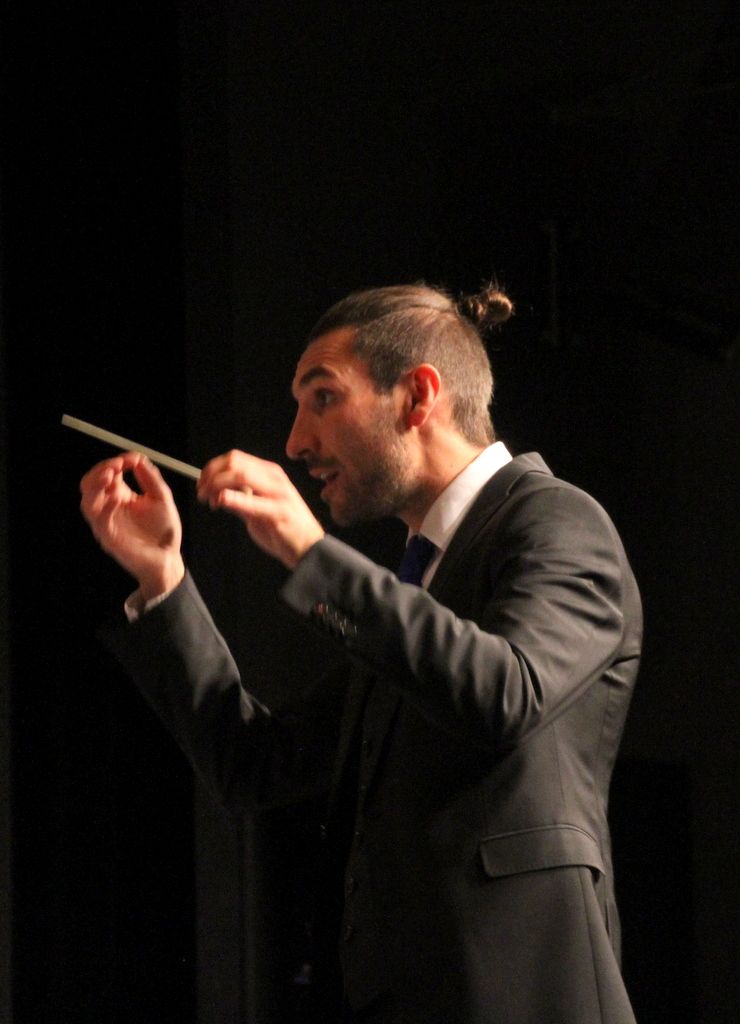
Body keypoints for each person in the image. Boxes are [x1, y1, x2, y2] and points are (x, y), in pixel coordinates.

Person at [79, 283, 641, 1023]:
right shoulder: (416, 585)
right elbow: (256, 764)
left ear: (418, 397)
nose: (294, 442)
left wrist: (311, 554)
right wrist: (163, 580)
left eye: (323, 398)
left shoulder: (554, 519)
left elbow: (509, 693)